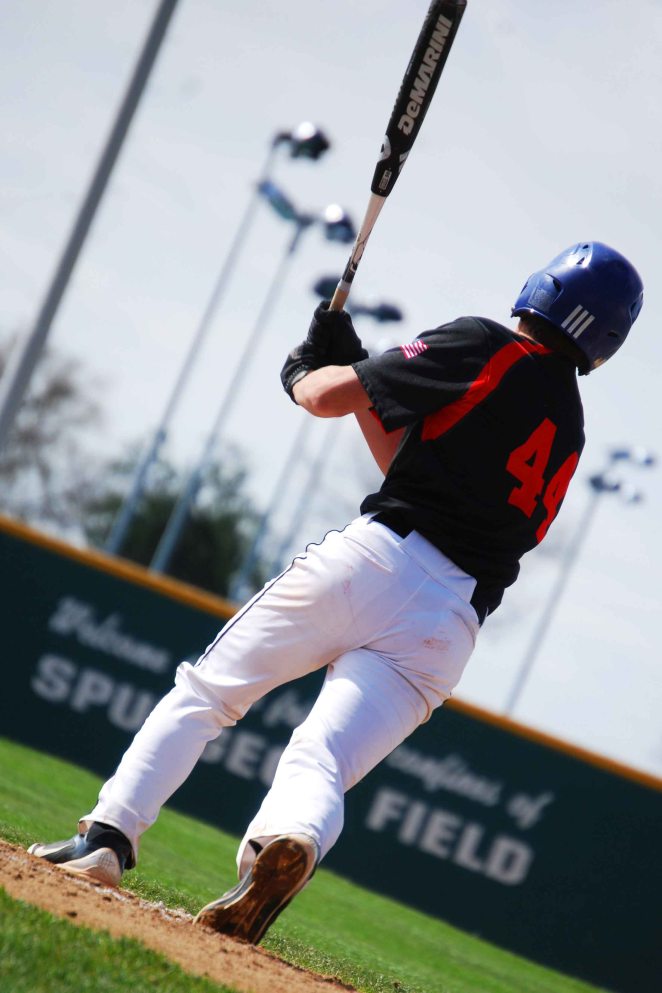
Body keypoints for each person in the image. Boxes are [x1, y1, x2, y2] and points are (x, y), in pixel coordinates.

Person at [28, 241, 643, 944]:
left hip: (376, 560)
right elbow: (413, 463)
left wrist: (309, 371)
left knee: (210, 692)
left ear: (546, 285)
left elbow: (323, 399)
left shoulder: (484, 342)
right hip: (449, 622)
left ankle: (107, 837)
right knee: (322, 759)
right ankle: (286, 843)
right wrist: (365, 375)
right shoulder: (570, 427)